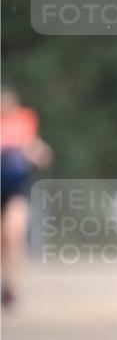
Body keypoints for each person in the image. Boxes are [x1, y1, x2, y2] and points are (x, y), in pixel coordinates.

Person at [1, 84, 53, 307]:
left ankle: (13, 287)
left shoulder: (24, 121)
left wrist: (40, 154)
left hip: (16, 189)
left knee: (14, 235)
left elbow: (37, 150)